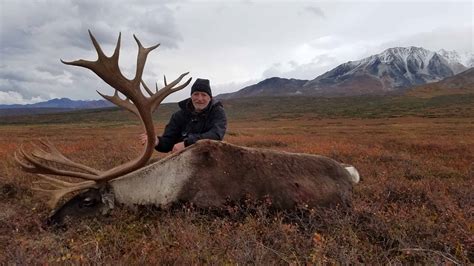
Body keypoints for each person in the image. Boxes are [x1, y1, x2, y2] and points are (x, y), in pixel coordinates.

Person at [140, 78, 227, 153]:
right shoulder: (178, 116)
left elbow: (216, 135)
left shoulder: (217, 112)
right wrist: (157, 141)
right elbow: (168, 143)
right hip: (182, 159)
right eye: (196, 94)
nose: (200, 99)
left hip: (209, 157)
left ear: (210, 98)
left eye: (204, 95)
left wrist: (186, 143)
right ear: (191, 96)